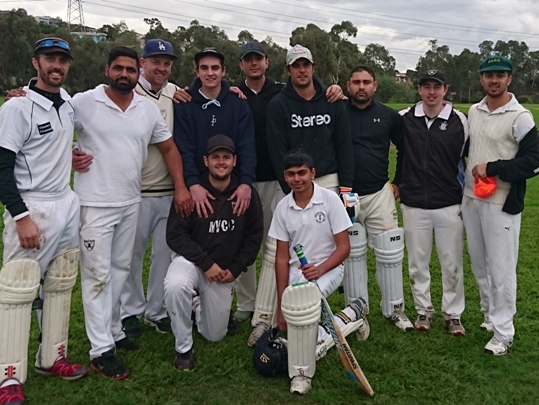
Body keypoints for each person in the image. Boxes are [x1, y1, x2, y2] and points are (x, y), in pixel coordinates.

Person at [72, 46, 191, 379]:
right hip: (95, 204)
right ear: (107, 69)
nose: (124, 74)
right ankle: (100, 350)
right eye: (118, 69)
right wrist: (67, 156)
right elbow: (51, 132)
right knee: (97, 276)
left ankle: (114, 331)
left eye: (129, 70)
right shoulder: (84, 102)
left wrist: (180, 185)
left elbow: (168, 147)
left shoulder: (146, 108)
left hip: (130, 201)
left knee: (121, 269)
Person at [0, 37, 87, 405]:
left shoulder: (67, 103)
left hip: (65, 202)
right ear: (36, 62)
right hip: (32, 207)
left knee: (61, 281)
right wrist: (21, 217)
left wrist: (71, 157)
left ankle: (52, 357)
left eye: (62, 60)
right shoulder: (17, 108)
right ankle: (8, 378)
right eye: (50, 58)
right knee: (18, 289)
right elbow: (3, 166)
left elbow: (49, 149)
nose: (57, 65)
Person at [248, 44, 354, 346]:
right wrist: (291, 191)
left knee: (335, 245)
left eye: (306, 64)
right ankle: (265, 318)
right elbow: (276, 148)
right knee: (276, 253)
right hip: (292, 182)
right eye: (296, 66)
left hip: (328, 180)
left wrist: (346, 189)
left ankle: (340, 308)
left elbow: (344, 146)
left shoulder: (332, 99)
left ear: (313, 66)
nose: (302, 70)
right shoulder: (280, 104)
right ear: (289, 70)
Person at [270, 149, 367, 394]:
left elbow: (344, 248)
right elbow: (281, 258)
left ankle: (301, 375)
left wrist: (320, 269)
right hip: (297, 273)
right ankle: (351, 316)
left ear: (313, 173)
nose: (297, 179)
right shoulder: (283, 207)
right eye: (291, 174)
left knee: (304, 309)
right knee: (300, 323)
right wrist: (281, 304)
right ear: (285, 176)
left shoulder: (330, 200)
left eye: (302, 173)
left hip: (329, 268)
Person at [164, 135, 264, 371]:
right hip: (192, 263)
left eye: (226, 157)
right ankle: (184, 349)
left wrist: (236, 269)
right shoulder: (193, 191)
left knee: (214, 335)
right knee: (175, 285)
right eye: (216, 157)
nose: (221, 162)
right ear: (206, 161)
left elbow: (254, 236)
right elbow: (175, 235)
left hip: (222, 271)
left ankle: (197, 304)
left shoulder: (246, 194)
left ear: (235, 161)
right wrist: (206, 263)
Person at [462, 55, 539, 355]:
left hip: (501, 201)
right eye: (488, 75)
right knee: (480, 264)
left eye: (500, 75)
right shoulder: (474, 110)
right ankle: (489, 316)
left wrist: (493, 168)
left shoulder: (520, 117)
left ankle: (504, 333)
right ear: (480, 79)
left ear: (510, 79)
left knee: (502, 268)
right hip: (471, 197)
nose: (494, 80)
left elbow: (533, 161)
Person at [116, 39, 184, 338]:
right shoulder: (127, 91)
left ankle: (156, 311)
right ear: (143, 63)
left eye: (166, 62)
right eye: (155, 61)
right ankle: (129, 312)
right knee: (130, 256)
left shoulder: (175, 92)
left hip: (168, 190)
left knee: (164, 255)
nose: (161, 67)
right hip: (135, 192)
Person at [396, 70, 468, 335]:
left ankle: (453, 314)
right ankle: (423, 310)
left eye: (436, 87)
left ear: (445, 89)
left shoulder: (460, 120)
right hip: (414, 202)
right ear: (419, 90)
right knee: (417, 261)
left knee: (451, 262)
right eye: (426, 86)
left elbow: (471, 153)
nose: (431, 92)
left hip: (449, 202)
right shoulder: (404, 118)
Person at [343, 65, 413, 333]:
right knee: (352, 253)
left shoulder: (389, 116)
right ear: (348, 85)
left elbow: (405, 150)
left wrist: (399, 182)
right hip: (346, 195)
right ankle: (355, 312)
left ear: (375, 86)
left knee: (389, 252)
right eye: (356, 82)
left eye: (367, 82)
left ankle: (395, 309)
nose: (362, 87)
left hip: (379, 193)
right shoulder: (337, 113)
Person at [173, 47, 256, 219]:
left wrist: (246, 183)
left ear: (223, 71)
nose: (210, 73)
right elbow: (184, 149)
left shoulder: (239, 104)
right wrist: (193, 184)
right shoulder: (184, 103)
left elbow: (247, 147)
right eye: (204, 68)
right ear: (196, 71)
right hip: (197, 191)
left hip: (232, 189)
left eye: (215, 68)